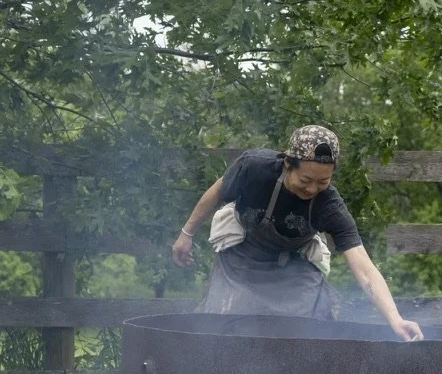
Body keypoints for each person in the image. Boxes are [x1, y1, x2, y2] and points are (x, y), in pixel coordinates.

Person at [171, 125, 424, 341]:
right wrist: (187, 234)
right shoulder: (254, 168)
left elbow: (364, 269)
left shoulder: (329, 205)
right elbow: (215, 193)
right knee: (225, 329)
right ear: (287, 163)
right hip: (242, 261)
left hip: (291, 268)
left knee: (306, 332)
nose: (313, 188)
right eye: (305, 180)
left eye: (322, 182)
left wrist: (395, 318)